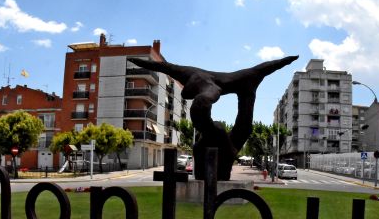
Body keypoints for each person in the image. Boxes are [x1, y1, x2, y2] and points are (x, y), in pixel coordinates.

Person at [127, 54, 298, 180]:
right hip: (239, 82)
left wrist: (138, 61)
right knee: (238, 127)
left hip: (233, 85)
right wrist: (285, 60)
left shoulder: (203, 85)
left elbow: (164, 67)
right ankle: (224, 152)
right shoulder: (190, 76)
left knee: (211, 108)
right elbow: (164, 66)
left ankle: (223, 148)